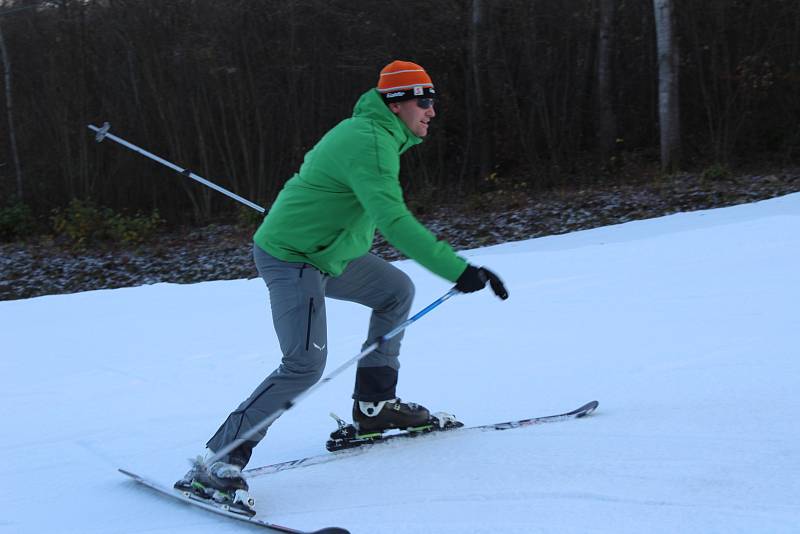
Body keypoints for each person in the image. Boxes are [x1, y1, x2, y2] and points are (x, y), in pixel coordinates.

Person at [181, 60, 508, 502]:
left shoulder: (376, 135)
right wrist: (457, 269)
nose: (431, 110)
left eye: (433, 100)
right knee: (304, 364)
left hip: (331, 254)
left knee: (396, 291)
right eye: (423, 100)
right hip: (293, 259)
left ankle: (373, 407)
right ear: (396, 103)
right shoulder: (369, 142)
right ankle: (219, 458)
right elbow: (393, 220)